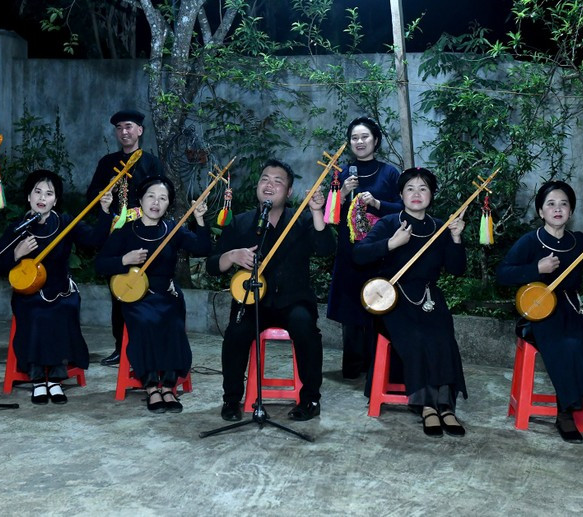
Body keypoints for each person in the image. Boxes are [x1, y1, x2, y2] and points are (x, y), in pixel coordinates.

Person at [496, 180, 583, 449]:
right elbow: (502, 274)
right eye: (550, 204)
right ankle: (565, 415)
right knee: (568, 346)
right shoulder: (530, 242)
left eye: (564, 203)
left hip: (573, 309)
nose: (558, 208)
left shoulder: (579, 242)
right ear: (541, 211)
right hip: (539, 313)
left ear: (571, 211)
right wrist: (536, 268)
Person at [206, 159, 335, 422]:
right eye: (265, 179)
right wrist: (231, 255)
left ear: (288, 193)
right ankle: (231, 399)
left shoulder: (302, 221)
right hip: (252, 301)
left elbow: (326, 249)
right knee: (236, 332)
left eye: (278, 181)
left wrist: (318, 213)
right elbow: (212, 265)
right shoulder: (240, 223)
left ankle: (310, 399)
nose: (270, 185)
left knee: (305, 326)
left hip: (294, 299)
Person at [353, 167, 468, 437]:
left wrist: (456, 237)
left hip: (428, 297)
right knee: (416, 337)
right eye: (410, 189)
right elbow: (359, 255)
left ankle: (446, 405)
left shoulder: (440, 227)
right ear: (401, 194)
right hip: (393, 300)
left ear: (432, 195)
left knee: (442, 336)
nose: (416, 194)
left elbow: (456, 269)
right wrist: (391, 244)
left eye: (423, 188)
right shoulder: (390, 223)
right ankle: (426, 405)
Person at [0, 170, 113, 405]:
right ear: (29, 197)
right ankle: (38, 379)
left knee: (61, 310)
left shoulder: (65, 223)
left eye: (49, 194)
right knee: (36, 314)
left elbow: (95, 240)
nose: (42, 198)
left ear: (55, 200)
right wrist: (17, 253)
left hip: (60, 291)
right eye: (37, 192)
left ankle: (55, 379)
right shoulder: (18, 228)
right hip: (29, 294)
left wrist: (105, 211)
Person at [96, 176, 210, 413]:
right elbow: (100, 264)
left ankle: (168, 385)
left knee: (172, 322)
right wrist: (123, 260)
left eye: (163, 198)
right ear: (140, 200)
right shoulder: (125, 231)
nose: (156, 203)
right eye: (151, 196)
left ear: (168, 204)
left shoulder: (173, 230)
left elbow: (203, 248)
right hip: (137, 297)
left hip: (167, 293)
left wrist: (199, 219)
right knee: (146, 322)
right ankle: (150, 386)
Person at [86, 109, 166, 367]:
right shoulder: (107, 162)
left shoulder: (151, 162)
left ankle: (146, 346)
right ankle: (120, 347)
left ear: (140, 130)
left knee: (146, 285)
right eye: (119, 128)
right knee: (118, 289)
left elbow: (162, 196)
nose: (124, 132)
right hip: (116, 233)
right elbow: (91, 196)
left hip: (143, 230)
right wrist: (104, 201)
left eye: (129, 127)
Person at [326, 116, 402, 379]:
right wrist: (343, 192)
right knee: (351, 306)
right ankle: (353, 365)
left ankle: (379, 366)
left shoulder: (390, 173)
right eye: (354, 138)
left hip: (381, 250)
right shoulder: (342, 173)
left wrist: (379, 204)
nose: (359, 142)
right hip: (350, 250)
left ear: (376, 141)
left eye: (365, 137)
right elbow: (330, 214)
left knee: (379, 302)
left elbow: (406, 210)